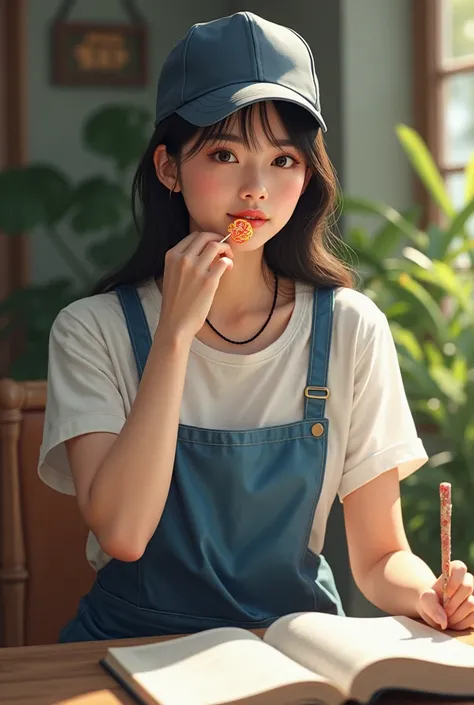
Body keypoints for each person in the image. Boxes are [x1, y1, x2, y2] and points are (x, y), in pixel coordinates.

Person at [38, 11, 474, 643]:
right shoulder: (92, 330)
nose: (255, 189)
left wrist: (433, 597)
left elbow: (381, 559)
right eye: (224, 153)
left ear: (307, 174)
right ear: (168, 168)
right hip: (129, 649)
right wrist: (174, 337)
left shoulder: (350, 327)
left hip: (297, 651)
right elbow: (124, 535)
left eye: (283, 159)